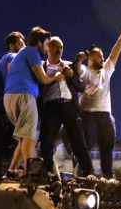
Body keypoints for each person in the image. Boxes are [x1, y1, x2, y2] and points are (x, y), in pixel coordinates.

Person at [3, 26, 67, 175]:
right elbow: (43, 79)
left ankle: (11, 170)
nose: (46, 48)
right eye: (46, 44)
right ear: (39, 43)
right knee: (30, 137)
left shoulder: (22, 54)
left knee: (24, 137)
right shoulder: (32, 52)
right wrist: (57, 76)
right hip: (24, 96)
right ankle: (30, 173)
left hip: (10, 98)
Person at [75, 20, 121, 178]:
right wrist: (79, 60)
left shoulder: (106, 70)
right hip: (88, 115)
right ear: (91, 59)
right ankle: (82, 175)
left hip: (105, 115)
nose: (102, 59)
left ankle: (108, 176)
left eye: (102, 57)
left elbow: (114, 53)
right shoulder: (86, 71)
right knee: (86, 147)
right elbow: (78, 70)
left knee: (107, 146)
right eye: (99, 58)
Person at [38, 36, 94, 177]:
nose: (59, 50)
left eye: (61, 47)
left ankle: (89, 174)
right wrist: (54, 78)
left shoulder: (69, 65)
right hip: (51, 106)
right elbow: (38, 89)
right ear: (47, 48)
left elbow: (81, 87)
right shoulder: (41, 67)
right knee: (47, 141)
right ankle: (48, 173)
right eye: (55, 46)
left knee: (79, 142)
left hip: (69, 105)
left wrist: (71, 76)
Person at [0, 31, 25, 120]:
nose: (24, 48)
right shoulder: (13, 56)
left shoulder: (1, 61)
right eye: (21, 45)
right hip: (12, 103)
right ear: (12, 46)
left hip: (2, 104)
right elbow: (14, 78)